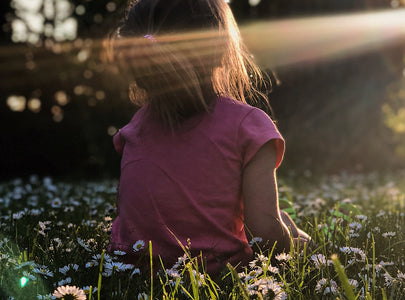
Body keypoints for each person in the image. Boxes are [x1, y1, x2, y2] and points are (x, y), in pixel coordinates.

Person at [107, 0, 310, 274]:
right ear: (219, 50)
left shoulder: (136, 128)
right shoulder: (247, 126)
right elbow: (265, 234)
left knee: (282, 219)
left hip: (132, 272)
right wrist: (299, 244)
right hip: (218, 274)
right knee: (286, 226)